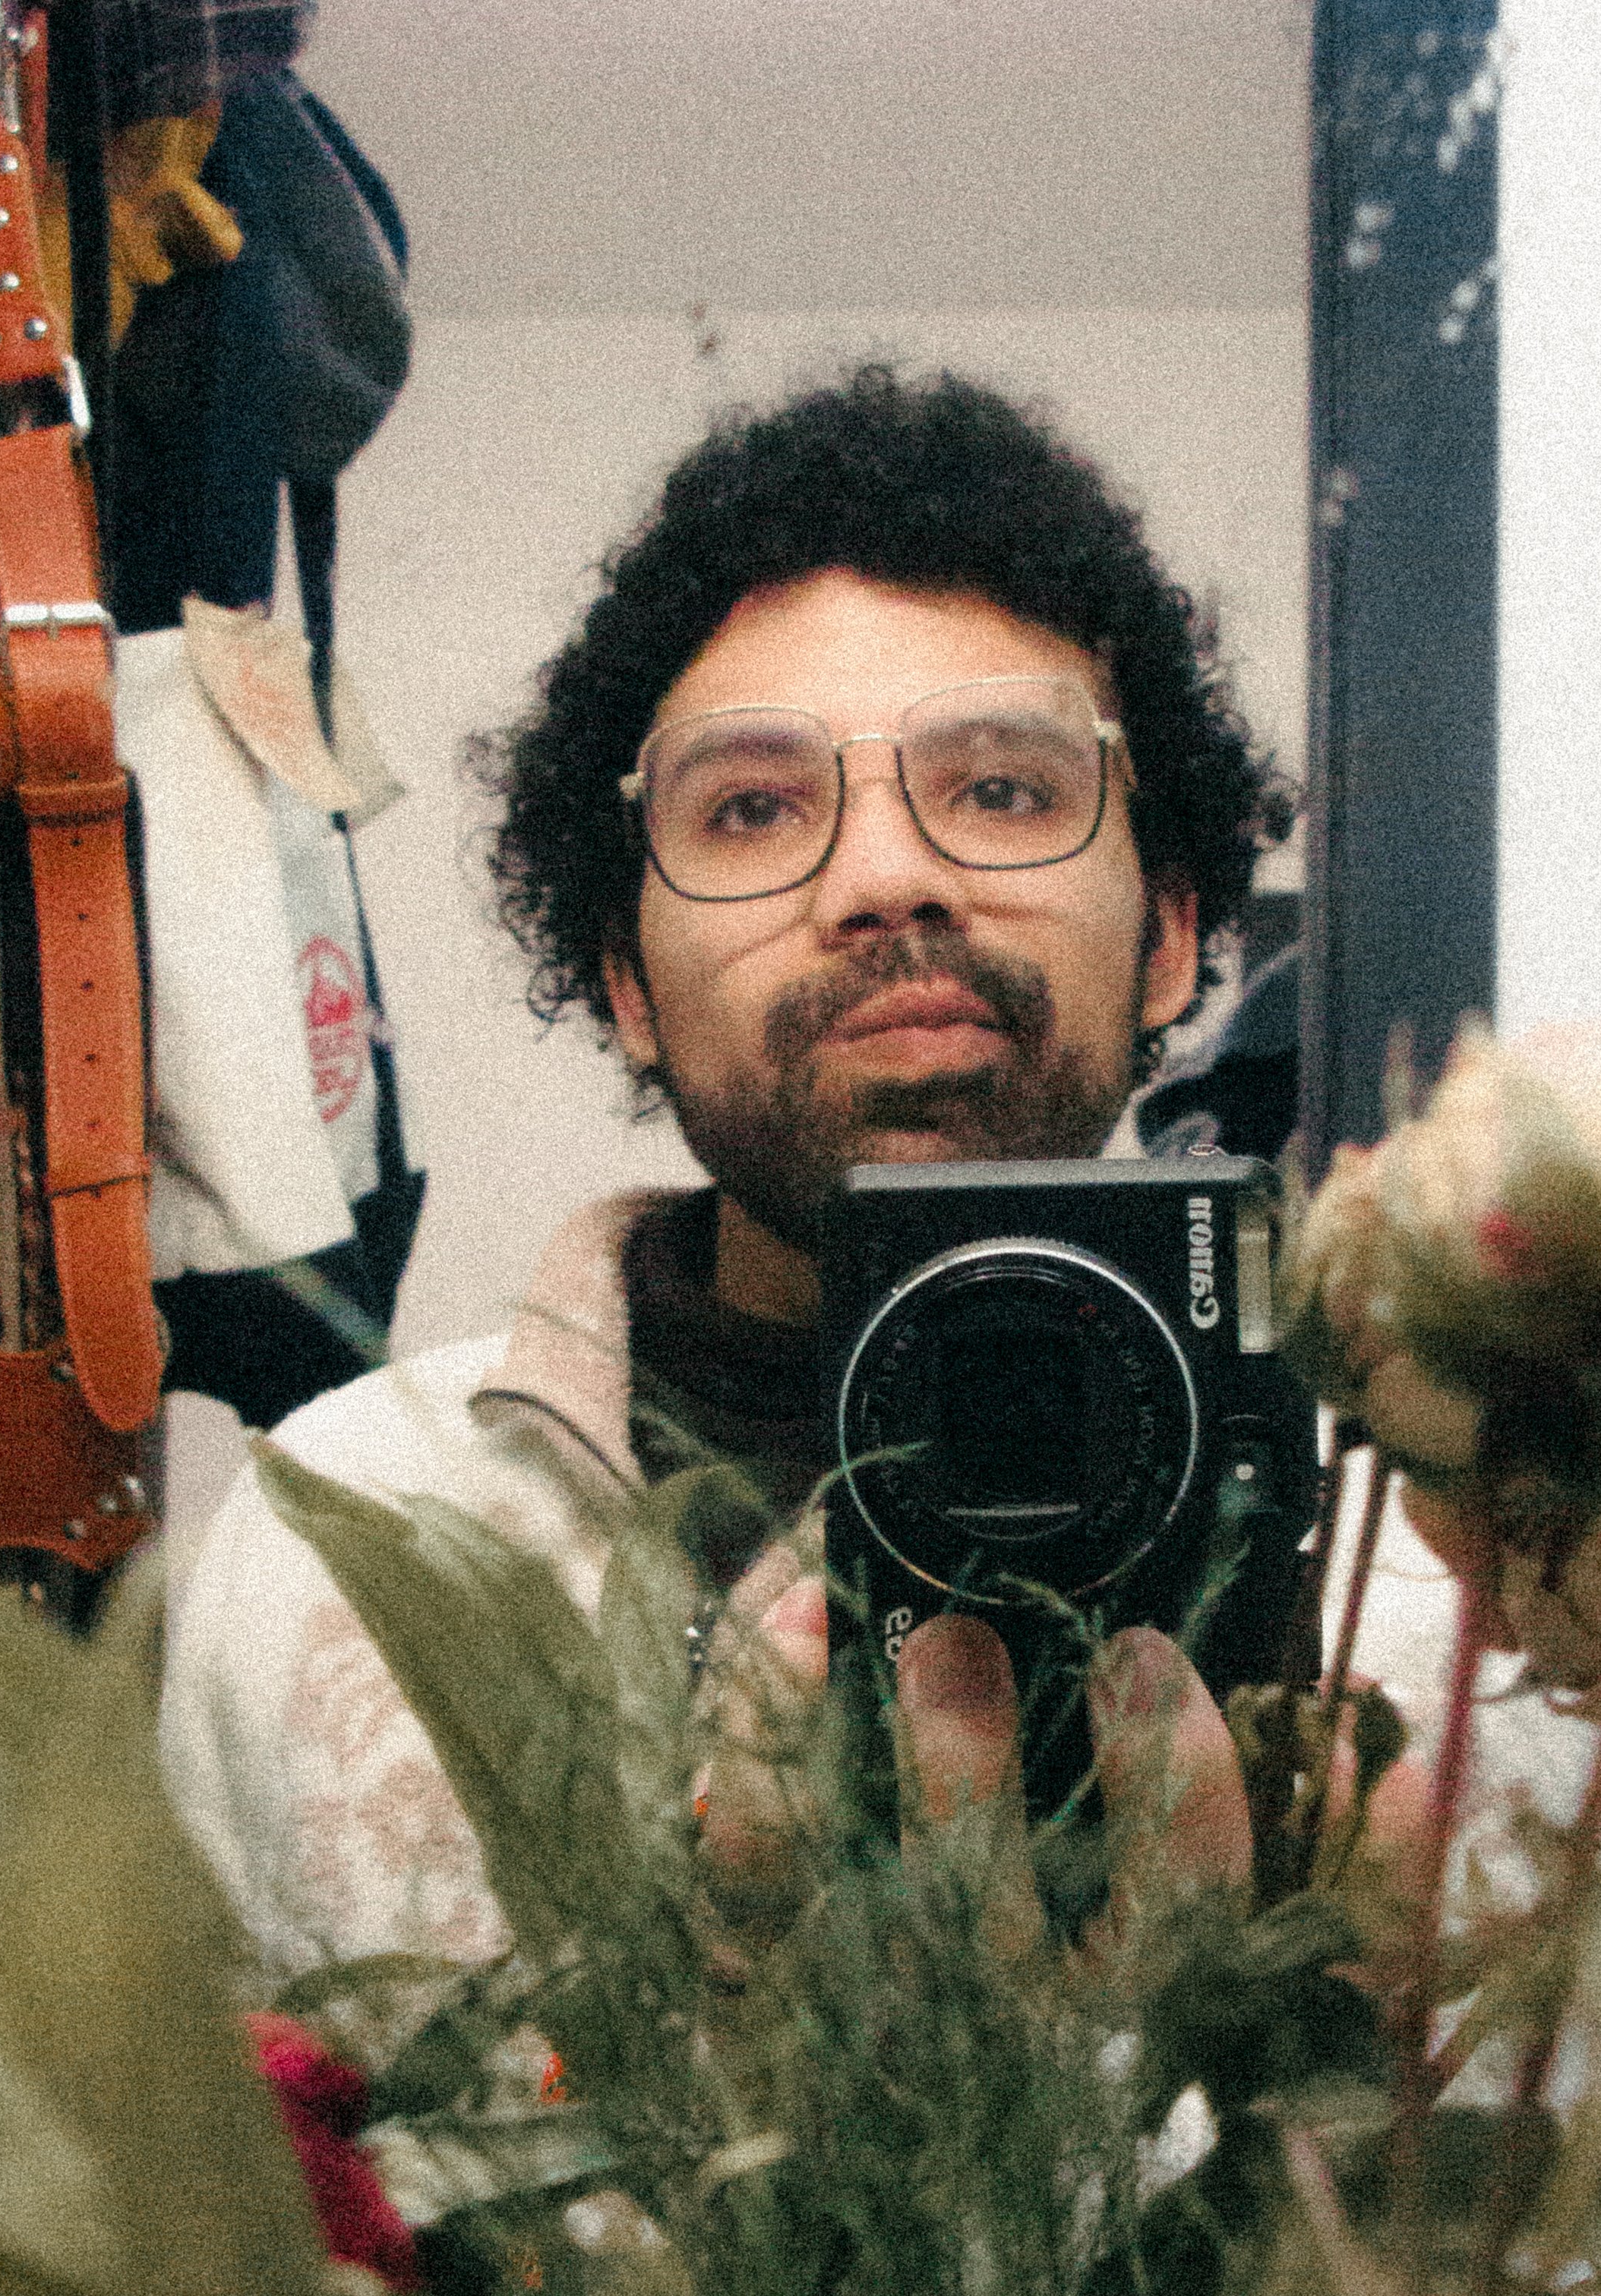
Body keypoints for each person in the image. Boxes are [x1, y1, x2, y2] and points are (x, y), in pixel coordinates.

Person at [158, 366, 1282, 1977]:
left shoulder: (1401, 1587)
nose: (887, 876)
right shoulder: (339, 1541)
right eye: (752, 807)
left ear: (1169, 935)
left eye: (1001, 788)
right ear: (626, 984)